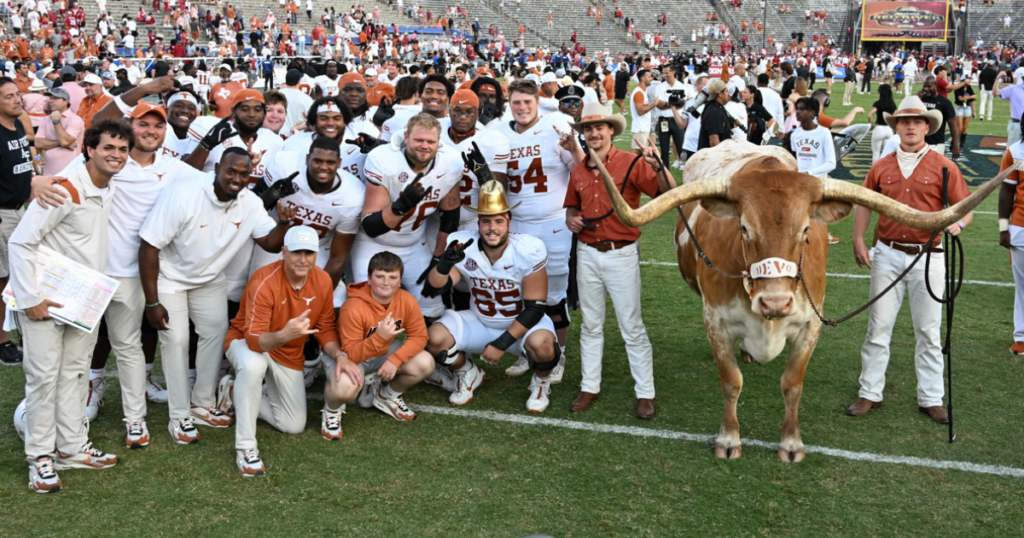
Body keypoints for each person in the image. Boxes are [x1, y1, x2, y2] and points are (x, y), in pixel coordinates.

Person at [138, 148, 295, 444]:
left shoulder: (250, 202)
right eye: (231, 171)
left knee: (215, 333)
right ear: (218, 169)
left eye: (244, 174)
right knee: (177, 340)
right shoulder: (184, 195)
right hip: (170, 278)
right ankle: (179, 416)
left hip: (209, 280)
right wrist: (152, 301)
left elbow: (270, 243)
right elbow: (148, 246)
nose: (237, 178)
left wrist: (284, 225)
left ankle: (202, 402)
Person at [11, 120, 133, 493]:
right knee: (44, 377)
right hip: (45, 298)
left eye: (123, 149)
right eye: (108, 147)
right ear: (89, 149)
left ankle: (72, 448)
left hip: (83, 297)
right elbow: (20, 243)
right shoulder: (64, 188)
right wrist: (30, 299)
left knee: (76, 373)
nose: (116, 155)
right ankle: (40, 459)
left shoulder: (106, 187)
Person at [848, 96, 973, 424]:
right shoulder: (881, 166)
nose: (911, 126)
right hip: (887, 253)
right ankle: (869, 393)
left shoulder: (944, 166)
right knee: (878, 326)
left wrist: (958, 223)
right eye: (904, 122)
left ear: (927, 127)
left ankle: (931, 398)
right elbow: (864, 204)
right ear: (897, 127)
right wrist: (859, 238)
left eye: (917, 122)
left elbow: (965, 206)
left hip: (929, 256)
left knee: (929, 331)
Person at [564, 103, 675, 418]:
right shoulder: (579, 168)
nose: (594, 133)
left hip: (622, 253)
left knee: (632, 326)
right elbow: (572, 208)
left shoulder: (632, 162)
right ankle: (589, 386)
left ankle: (645, 392)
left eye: (599, 127)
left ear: (611, 130)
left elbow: (669, 192)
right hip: (586, 253)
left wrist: (657, 166)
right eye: (588, 128)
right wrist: (572, 219)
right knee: (590, 325)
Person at [219, 226, 346, 476]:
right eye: (296, 252)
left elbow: (326, 327)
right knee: (254, 366)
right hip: (246, 342)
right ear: (284, 252)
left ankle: (233, 390)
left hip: (287, 353)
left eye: (309, 253)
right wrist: (284, 335)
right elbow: (254, 340)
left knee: (293, 425)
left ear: (316, 255)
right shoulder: (263, 281)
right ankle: (246, 447)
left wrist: (340, 356)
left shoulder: (322, 281)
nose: (303, 259)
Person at [424, 180, 561, 412]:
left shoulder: (528, 249)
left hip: (522, 325)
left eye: (498, 221)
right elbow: (436, 288)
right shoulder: (463, 245)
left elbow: (535, 308)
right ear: (478, 223)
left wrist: (502, 343)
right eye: (486, 221)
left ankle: (541, 382)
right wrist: (444, 265)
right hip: (480, 320)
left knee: (545, 345)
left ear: (509, 221)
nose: (492, 228)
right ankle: (467, 371)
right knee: (434, 339)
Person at [493, 80, 584, 379]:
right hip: (517, 225)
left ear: (537, 103)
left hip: (553, 223)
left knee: (554, 297)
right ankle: (527, 349)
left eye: (527, 102)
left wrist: (575, 148)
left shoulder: (555, 127)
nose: (521, 108)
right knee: (522, 295)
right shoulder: (500, 132)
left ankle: (558, 354)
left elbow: (580, 170)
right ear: (509, 104)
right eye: (516, 103)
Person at [351, 112, 463, 320]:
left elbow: (450, 216)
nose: (424, 146)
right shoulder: (384, 159)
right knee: (366, 311)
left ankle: (425, 352)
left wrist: (438, 258)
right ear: (406, 137)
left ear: (438, 142)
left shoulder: (451, 162)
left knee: (432, 308)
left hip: (414, 245)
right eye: (418, 140)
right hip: (373, 244)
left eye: (430, 141)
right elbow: (371, 226)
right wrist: (400, 208)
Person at [328, 251, 433, 421]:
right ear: (369, 279)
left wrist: (395, 360)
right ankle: (331, 410)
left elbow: (420, 336)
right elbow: (353, 354)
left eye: (392, 277)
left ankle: (387, 395)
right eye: (380, 276)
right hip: (350, 357)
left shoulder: (406, 300)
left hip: (381, 353)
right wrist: (380, 337)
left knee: (425, 362)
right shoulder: (352, 306)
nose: (386, 283)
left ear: (400, 281)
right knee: (345, 389)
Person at [998, 138, 1024, 354]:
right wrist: (1003, 228)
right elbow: (1007, 191)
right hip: (1021, 228)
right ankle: (1022, 337)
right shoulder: (1015, 151)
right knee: (1023, 285)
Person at [36, 87, 84, 175]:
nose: (51, 100)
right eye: (51, 98)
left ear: (66, 102)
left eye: (56, 98)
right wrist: (59, 143)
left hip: (70, 172)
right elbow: (38, 143)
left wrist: (56, 121)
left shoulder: (76, 119)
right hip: (49, 172)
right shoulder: (45, 119)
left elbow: (65, 141)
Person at [788, 97, 836, 178]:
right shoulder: (794, 135)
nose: (798, 112)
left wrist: (808, 173)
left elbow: (831, 164)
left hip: (817, 182)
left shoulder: (824, 133)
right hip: (799, 181)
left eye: (802, 109)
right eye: (797, 109)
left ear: (812, 112)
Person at [653, 63, 686, 168]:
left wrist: (666, 103)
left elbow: (682, 104)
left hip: (677, 120)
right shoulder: (660, 87)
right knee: (664, 149)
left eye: (666, 73)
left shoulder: (681, 86)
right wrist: (673, 104)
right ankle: (665, 175)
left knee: (681, 147)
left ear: (673, 72)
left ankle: (686, 169)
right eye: (663, 73)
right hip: (664, 120)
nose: (664, 75)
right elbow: (659, 105)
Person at [919, 76, 960, 159]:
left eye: (929, 86)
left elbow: (953, 126)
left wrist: (955, 146)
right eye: (925, 86)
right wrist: (918, 96)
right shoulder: (921, 99)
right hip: (919, 142)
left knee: (934, 170)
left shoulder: (944, 102)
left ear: (935, 85)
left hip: (936, 143)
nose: (926, 89)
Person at [697, 79, 733, 149]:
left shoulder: (713, 107)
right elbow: (714, 139)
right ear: (720, 94)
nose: (728, 94)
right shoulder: (715, 112)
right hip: (714, 158)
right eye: (726, 91)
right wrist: (721, 157)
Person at [993, 69, 1024, 146]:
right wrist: (998, 78)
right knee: (1012, 151)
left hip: (1018, 124)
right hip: (1017, 124)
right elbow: (996, 92)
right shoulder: (1014, 89)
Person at [868, 84, 897, 163]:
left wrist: (871, 124)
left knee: (876, 153)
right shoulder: (893, 105)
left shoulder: (878, 103)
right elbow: (895, 117)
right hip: (889, 129)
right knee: (886, 154)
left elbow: (870, 115)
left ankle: (875, 172)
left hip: (879, 128)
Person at [629, 69, 656, 151]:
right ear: (642, 79)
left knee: (641, 155)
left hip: (643, 128)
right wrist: (654, 104)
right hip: (640, 129)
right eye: (649, 77)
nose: (651, 78)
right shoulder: (639, 92)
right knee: (636, 155)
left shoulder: (643, 91)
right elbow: (640, 111)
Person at [952, 74, 975, 154]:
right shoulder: (958, 88)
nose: (970, 81)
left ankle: (961, 145)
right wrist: (971, 97)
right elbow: (960, 98)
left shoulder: (969, 88)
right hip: (960, 107)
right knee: (959, 128)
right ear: (964, 80)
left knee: (965, 129)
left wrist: (974, 111)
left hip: (967, 108)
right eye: (969, 79)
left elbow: (972, 100)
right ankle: (954, 144)